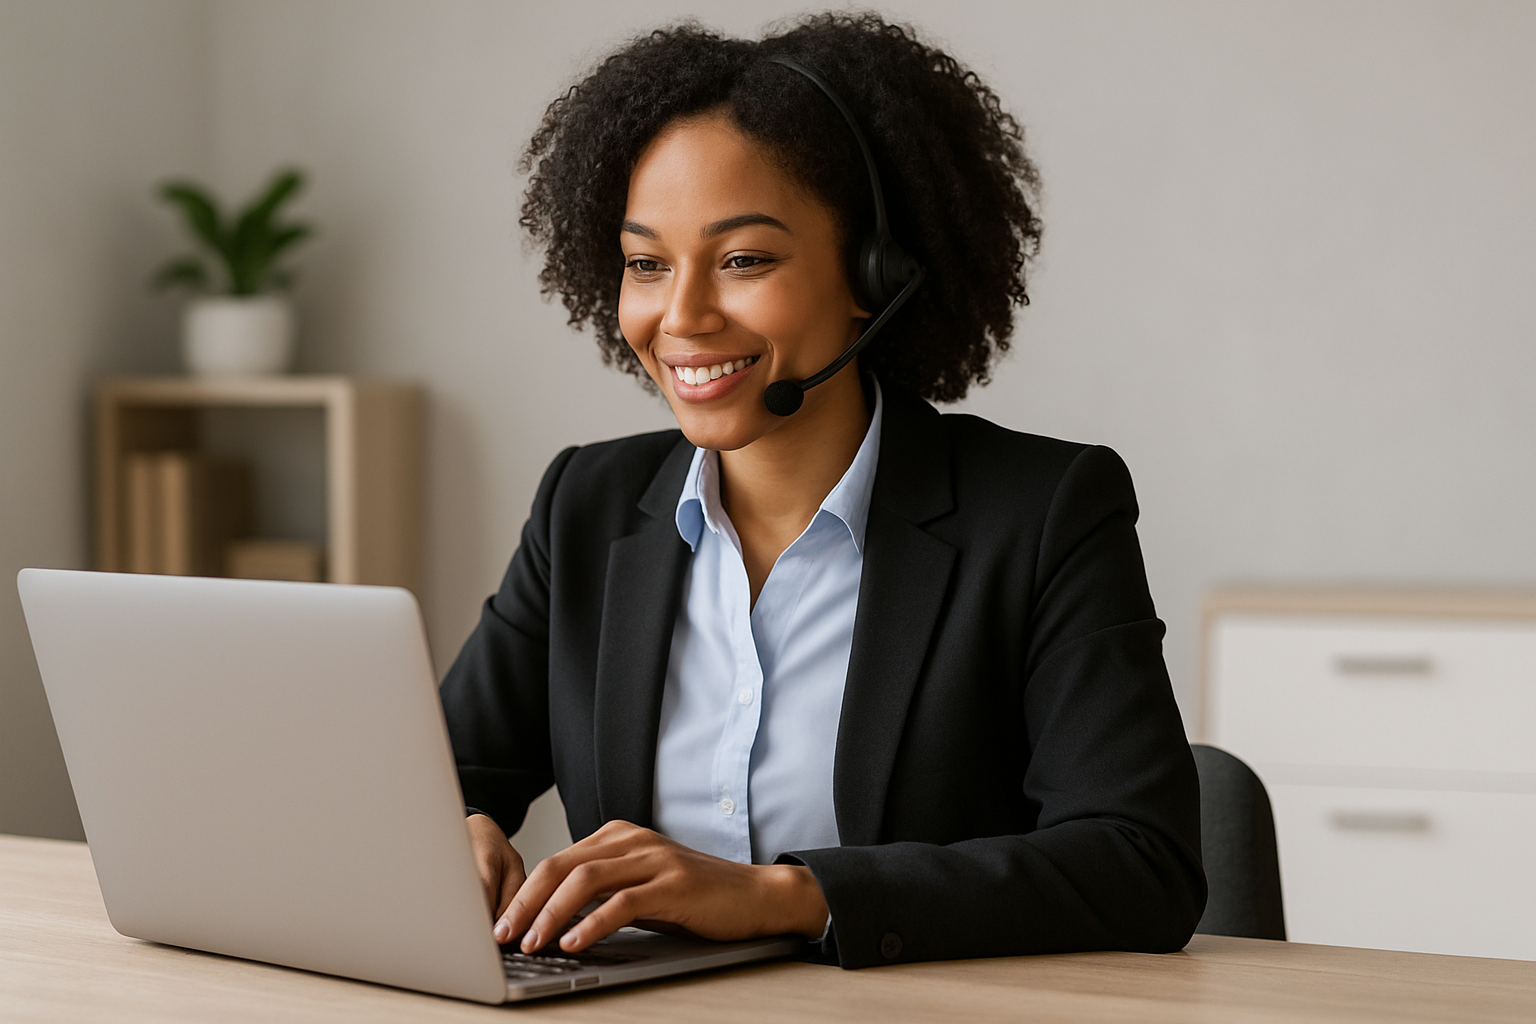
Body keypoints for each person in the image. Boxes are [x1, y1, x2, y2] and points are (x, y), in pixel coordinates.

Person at [439, 12, 1206, 970]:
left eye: (744, 260)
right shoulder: (584, 505)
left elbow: (1141, 864)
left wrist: (785, 896)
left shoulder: (1045, 512)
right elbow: (439, 775)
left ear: (875, 274)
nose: (682, 316)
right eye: (646, 264)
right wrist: (453, 829)